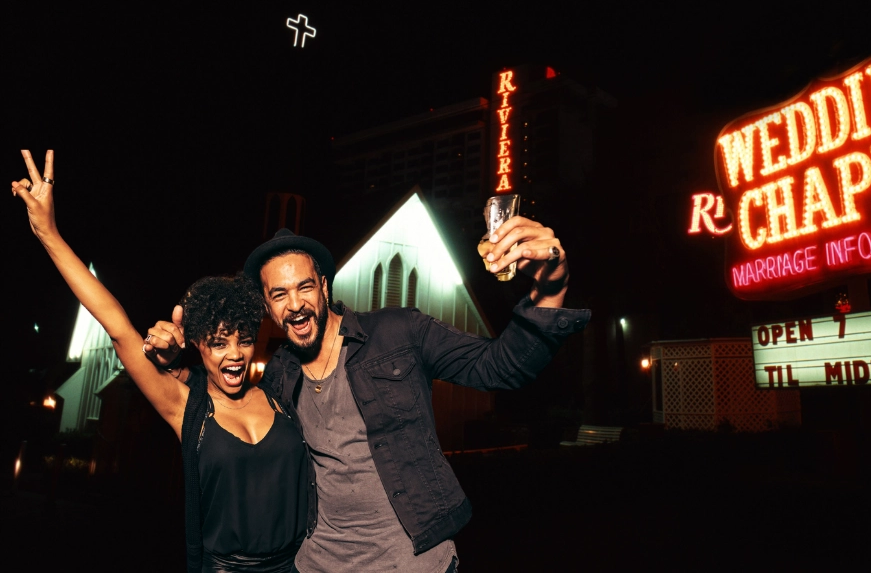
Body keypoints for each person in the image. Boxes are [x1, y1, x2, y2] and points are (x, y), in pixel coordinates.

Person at [145, 197, 590, 572]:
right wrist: (173, 365)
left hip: (415, 563)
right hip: (317, 564)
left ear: (323, 284)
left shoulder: (399, 333)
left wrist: (552, 288)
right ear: (266, 305)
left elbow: (502, 367)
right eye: (279, 295)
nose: (295, 305)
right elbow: (222, 400)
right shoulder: (280, 372)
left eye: (304, 287)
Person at [12, 150, 308, 573]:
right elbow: (117, 327)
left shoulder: (280, 397)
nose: (235, 354)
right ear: (199, 346)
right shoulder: (187, 408)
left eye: (243, 341)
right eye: (219, 343)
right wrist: (49, 233)